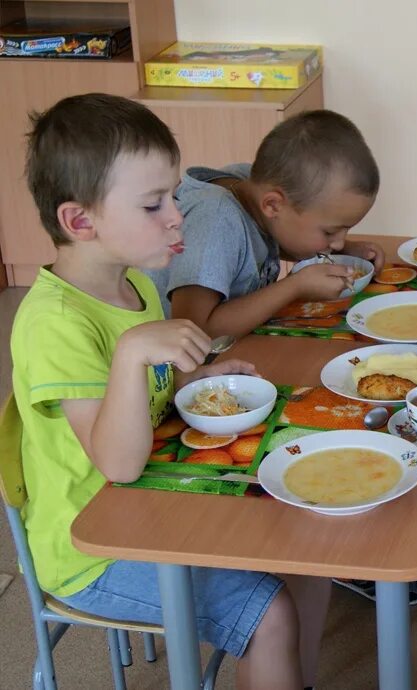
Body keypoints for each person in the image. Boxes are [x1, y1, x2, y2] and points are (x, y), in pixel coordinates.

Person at [9, 93, 329, 689]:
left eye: (173, 196)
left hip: (152, 506)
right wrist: (135, 353)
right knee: (271, 612)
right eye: (153, 204)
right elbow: (120, 463)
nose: (177, 216)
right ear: (81, 222)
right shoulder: (55, 323)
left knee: (309, 556)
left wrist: (197, 380)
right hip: (94, 550)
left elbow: (157, 390)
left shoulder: (131, 281)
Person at [145, 109, 384, 337]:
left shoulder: (252, 188)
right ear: (272, 205)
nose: (340, 241)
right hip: (175, 368)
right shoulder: (216, 221)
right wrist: (294, 287)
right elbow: (196, 330)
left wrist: (340, 249)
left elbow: (272, 238)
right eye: (331, 231)